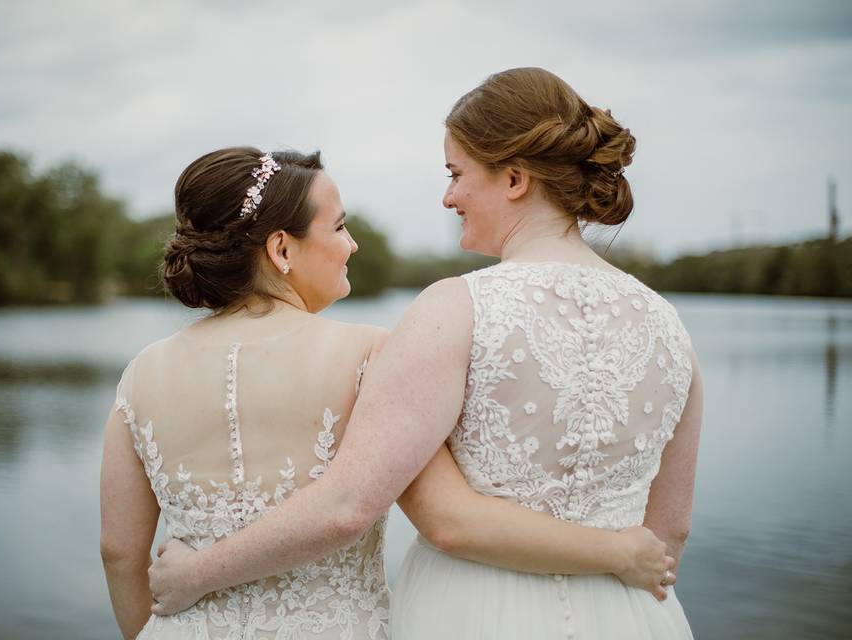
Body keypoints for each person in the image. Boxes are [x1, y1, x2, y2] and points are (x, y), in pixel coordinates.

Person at [114, 76, 695, 634]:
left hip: (476, 614)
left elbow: (417, 514)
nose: (447, 196)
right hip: (633, 613)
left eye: (456, 173)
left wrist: (191, 578)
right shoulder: (670, 327)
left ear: (515, 178)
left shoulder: (456, 308)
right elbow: (671, 533)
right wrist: (620, 554)